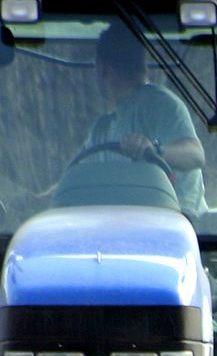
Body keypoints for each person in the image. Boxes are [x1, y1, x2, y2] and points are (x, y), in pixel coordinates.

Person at [84, 23, 207, 219]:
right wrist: (39, 199)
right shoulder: (103, 128)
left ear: (101, 68)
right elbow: (78, 175)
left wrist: (155, 150)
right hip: (119, 227)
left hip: (176, 227)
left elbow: (195, 155)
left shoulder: (161, 106)